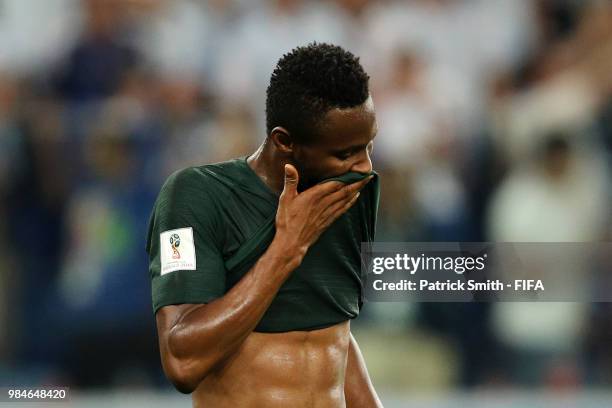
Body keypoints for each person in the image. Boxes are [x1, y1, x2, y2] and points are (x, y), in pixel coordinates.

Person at [146, 42, 383, 407]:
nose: (365, 167)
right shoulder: (194, 197)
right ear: (284, 141)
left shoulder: (346, 196)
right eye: (345, 153)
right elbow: (182, 361)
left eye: (368, 146)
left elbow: (335, 340)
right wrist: (287, 250)